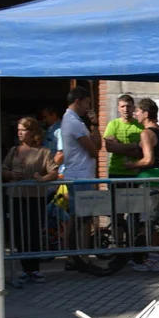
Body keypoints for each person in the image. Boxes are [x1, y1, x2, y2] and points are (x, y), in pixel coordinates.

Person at [2, 117, 59, 286]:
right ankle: (24, 269)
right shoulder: (14, 150)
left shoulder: (43, 151)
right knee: (19, 233)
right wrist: (10, 174)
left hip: (35, 197)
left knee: (33, 232)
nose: (20, 133)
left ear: (33, 132)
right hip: (16, 197)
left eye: (23, 130)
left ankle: (34, 268)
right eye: (18, 130)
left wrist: (43, 178)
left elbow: (53, 172)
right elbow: (3, 168)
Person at [123, 98, 159, 271]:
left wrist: (132, 165)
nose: (135, 114)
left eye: (138, 111)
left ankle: (151, 259)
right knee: (158, 220)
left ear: (146, 113)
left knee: (147, 221)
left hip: (149, 179)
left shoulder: (146, 133)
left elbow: (148, 159)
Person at [61, 86, 101, 252]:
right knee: (83, 219)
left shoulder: (75, 121)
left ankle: (74, 255)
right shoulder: (73, 122)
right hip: (80, 175)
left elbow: (97, 145)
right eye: (87, 103)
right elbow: (94, 151)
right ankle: (80, 255)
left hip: (82, 174)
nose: (88, 107)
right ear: (78, 101)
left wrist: (95, 124)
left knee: (77, 217)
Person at [102, 94, 143, 179]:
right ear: (118, 108)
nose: (125, 109)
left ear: (134, 108)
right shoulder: (113, 124)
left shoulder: (140, 125)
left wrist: (118, 146)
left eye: (128, 106)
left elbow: (142, 151)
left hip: (135, 172)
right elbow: (109, 147)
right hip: (116, 171)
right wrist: (135, 145)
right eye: (122, 106)